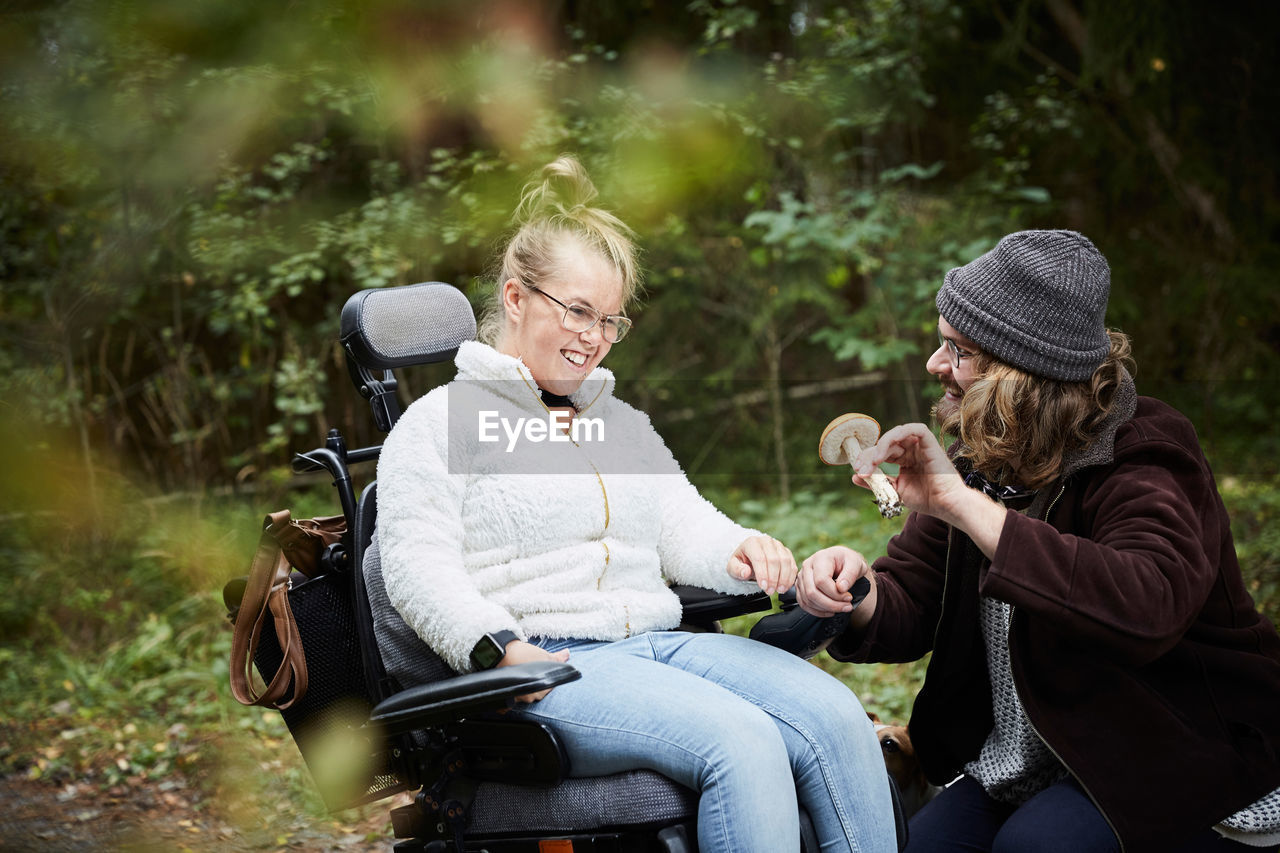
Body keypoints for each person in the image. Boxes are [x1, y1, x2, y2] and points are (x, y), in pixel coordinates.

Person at [371, 155, 898, 853]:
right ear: (518, 297)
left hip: (658, 643)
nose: (594, 335)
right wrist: (496, 648)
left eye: (610, 319)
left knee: (834, 715)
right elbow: (415, 566)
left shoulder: (617, 423)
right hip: (551, 663)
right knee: (742, 742)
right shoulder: (439, 423)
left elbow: (680, 523)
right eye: (578, 310)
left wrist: (739, 548)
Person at [796, 230, 1280, 853]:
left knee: (1036, 845)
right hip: (1027, 756)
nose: (934, 364)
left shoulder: (1146, 450)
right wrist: (853, 589)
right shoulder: (980, 453)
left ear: (1023, 373)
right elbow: (912, 599)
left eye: (957, 349)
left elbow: (1147, 601)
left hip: (1167, 745)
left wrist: (966, 506)